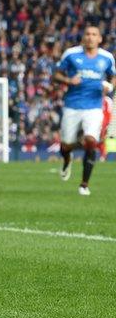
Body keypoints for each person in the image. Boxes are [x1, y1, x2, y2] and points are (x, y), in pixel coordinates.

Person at [53, 25, 116, 195]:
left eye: (94, 34)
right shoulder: (71, 54)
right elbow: (56, 74)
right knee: (66, 144)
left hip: (94, 106)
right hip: (72, 105)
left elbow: (113, 76)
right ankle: (67, 160)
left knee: (91, 141)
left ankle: (84, 184)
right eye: (87, 34)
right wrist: (68, 80)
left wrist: (109, 86)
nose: (90, 37)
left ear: (99, 39)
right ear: (83, 38)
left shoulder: (107, 58)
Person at [99, 94, 113, 161]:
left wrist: (107, 124)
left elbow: (109, 112)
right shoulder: (95, 99)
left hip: (104, 123)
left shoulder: (107, 100)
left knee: (102, 139)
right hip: (95, 122)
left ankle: (103, 156)